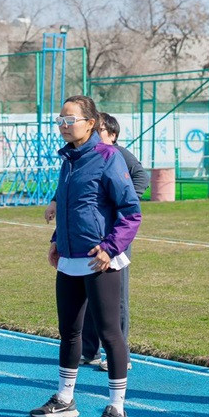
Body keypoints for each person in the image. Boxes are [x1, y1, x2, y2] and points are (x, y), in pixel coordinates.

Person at [31, 95, 141, 417]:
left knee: (109, 333)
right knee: (69, 332)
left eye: (70, 120)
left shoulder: (108, 157)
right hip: (69, 258)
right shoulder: (68, 160)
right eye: (60, 121)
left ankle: (117, 409)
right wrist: (56, 241)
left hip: (99, 261)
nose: (63, 126)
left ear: (90, 123)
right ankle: (65, 399)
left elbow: (131, 212)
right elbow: (71, 207)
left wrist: (110, 248)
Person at [80, 112, 149, 371]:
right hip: (92, 236)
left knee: (116, 296)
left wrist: (124, 201)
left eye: (98, 130)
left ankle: (119, 355)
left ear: (112, 135)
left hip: (116, 236)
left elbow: (141, 177)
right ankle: (89, 350)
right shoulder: (88, 155)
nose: (94, 134)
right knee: (88, 292)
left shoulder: (117, 154)